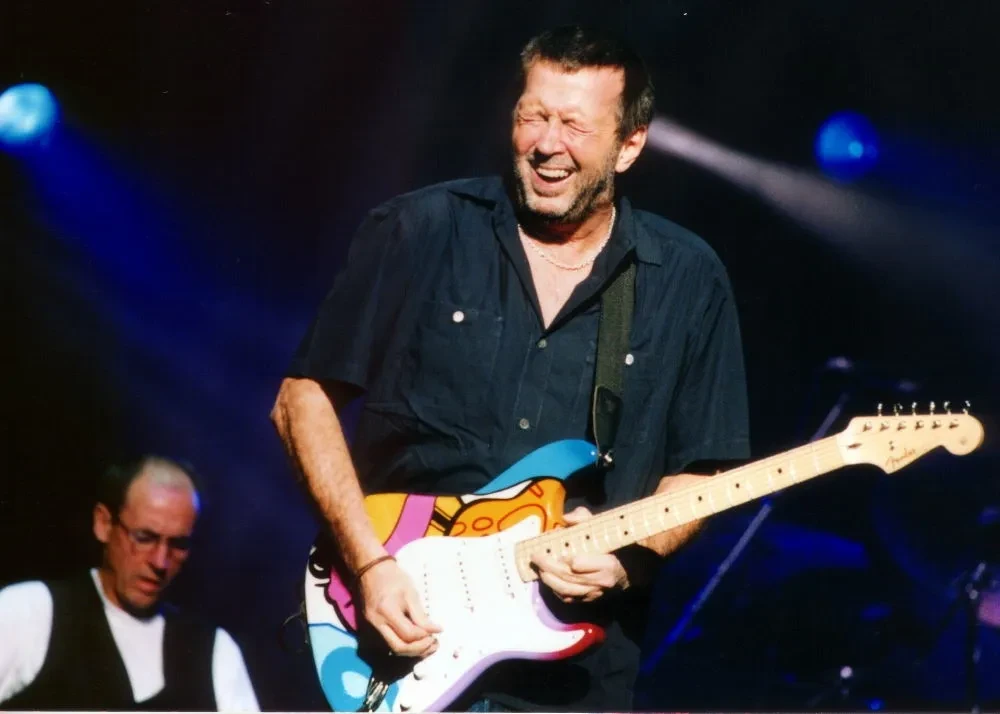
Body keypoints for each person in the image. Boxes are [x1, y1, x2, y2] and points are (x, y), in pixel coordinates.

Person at [272, 24, 749, 712]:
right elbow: (301, 401)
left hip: (570, 680)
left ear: (630, 144)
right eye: (534, 116)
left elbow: (703, 468)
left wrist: (623, 560)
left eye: (575, 126)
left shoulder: (687, 278)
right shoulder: (418, 230)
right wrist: (369, 562)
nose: (548, 144)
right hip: (389, 635)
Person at [0, 456, 260, 711]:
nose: (160, 561)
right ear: (103, 524)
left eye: (178, 544)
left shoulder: (214, 650)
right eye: (144, 537)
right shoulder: (31, 612)